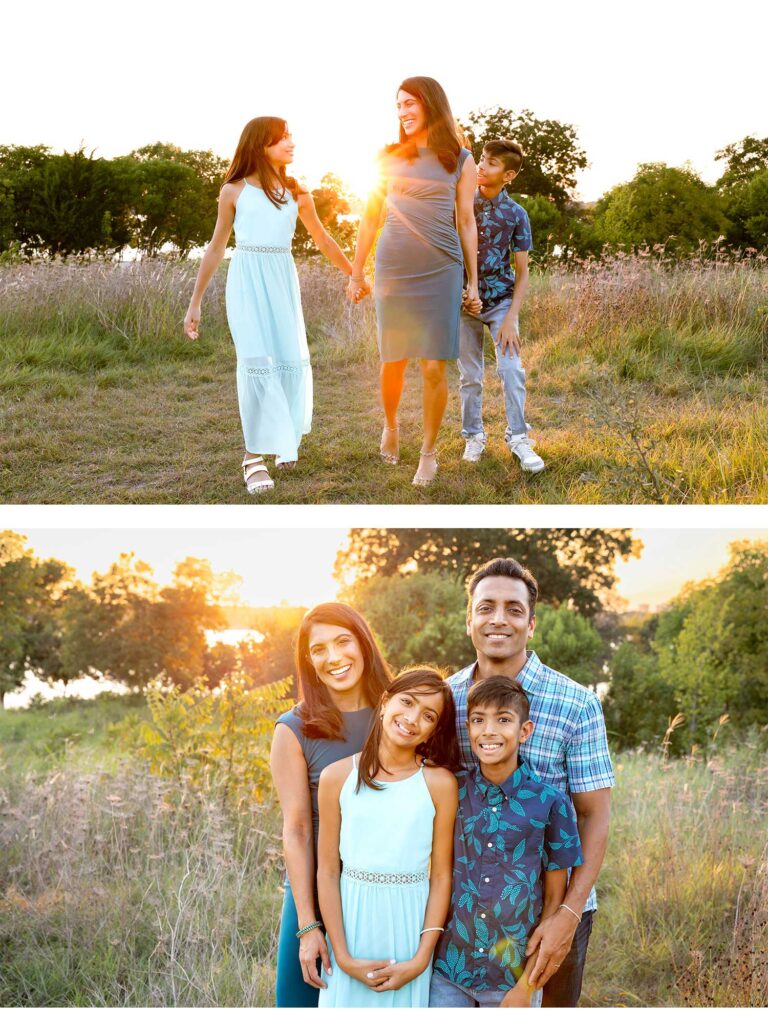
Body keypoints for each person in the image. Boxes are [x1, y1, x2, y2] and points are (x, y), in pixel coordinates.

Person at [449, 557, 615, 1007]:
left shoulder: (575, 703)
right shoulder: (446, 700)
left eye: (513, 609)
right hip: (466, 912)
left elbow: (594, 814)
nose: (498, 619)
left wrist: (567, 913)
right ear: (469, 620)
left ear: (532, 623)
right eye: (485, 608)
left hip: (553, 908)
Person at [183, 117, 354, 495]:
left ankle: (283, 439)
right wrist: (194, 302)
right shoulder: (234, 190)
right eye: (282, 139)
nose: (291, 144)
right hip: (246, 281)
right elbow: (215, 247)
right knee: (256, 361)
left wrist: (355, 274)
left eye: (291, 137)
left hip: (281, 279)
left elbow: (324, 240)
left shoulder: (297, 192)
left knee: (287, 357)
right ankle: (252, 458)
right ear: (261, 145)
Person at [347, 76, 479, 486]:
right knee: (393, 360)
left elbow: (467, 221)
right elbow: (370, 217)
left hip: (441, 267)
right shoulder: (387, 158)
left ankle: (428, 452)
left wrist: (472, 282)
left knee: (434, 366)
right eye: (398, 106)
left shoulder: (460, 159)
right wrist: (356, 272)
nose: (403, 112)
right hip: (394, 266)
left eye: (410, 104)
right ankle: (390, 424)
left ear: (431, 106)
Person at [430, 675, 584, 1007]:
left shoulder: (551, 803)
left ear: (524, 731)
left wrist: (526, 987)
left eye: (503, 719)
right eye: (478, 720)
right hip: (446, 972)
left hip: (510, 980)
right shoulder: (450, 791)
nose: (488, 730)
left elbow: (554, 900)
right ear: (467, 728)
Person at [269, 602, 392, 1007]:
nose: (333, 657)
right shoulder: (294, 729)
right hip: (316, 895)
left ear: (364, 643)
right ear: (309, 661)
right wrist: (307, 926)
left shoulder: (401, 715)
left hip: (390, 891)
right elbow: (298, 830)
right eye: (318, 649)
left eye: (343, 641)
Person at [316, 667, 460, 1007]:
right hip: (350, 925)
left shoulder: (439, 784)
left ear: (433, 730)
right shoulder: (336, 777)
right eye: (406, 702)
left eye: (427, 715)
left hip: (410, 929)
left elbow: (440, 875)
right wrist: (343, 955)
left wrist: (422, 957)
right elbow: (327, 871)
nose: (411, 718)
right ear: (384, 703)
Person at [459, 140, 544, 473]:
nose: (481, 166)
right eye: (481, 159)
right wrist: (464, 290)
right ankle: (474, 436)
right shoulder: (462, 202)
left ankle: (519, 438)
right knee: (470, 376)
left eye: (491, 163)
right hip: (464, 303)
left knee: (511, 370)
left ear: (508, 175)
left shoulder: (517, 215)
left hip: (501, 303)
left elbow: (522, 273)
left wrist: (511, 318)